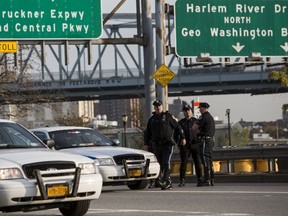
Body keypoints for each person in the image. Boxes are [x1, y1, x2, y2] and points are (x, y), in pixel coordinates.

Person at [145, 99, 186, 190]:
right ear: (154, 107)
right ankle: (167, 181)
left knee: (166, 162)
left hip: (167, 143)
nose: (158, 107)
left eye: (159, 106)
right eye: (156, 106)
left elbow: (178, 127)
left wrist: (183, 137)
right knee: (160, 164)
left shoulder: (168, 116)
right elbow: (147, 132)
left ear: (162, 107)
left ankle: (165, 181)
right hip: (157, 145)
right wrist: (146, 144)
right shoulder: (152, 119)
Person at [177, 104, 203, 187]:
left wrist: (200, 140)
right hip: (185, 145)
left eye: (189, 110)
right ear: (183, 112)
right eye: (185, 110)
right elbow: (176, 134)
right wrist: (179, 142)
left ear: (191, 111)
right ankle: (182, 180)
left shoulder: (196, 121)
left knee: (198, 162)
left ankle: (200, 179)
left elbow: (201, 131)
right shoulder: (181, 123)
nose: (187, 112)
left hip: (195, 144)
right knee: (183, 163)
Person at [194, 102, 216, 186]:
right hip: (210, 140)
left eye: (200, 108)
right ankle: (212, 179)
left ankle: (207, 179)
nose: (199, 110)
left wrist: (198, 130)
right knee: (210, 160)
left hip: (204, 141)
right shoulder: (210, 117)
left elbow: (194, 128)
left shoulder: (204, 117)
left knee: (205, 160)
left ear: (203, 108)